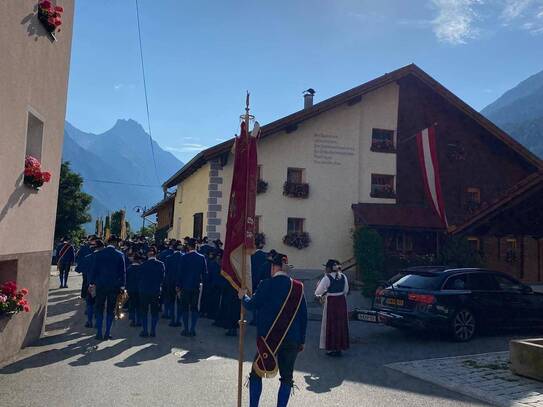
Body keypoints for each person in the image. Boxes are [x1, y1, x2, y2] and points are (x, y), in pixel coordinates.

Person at [238, 252, 308, 407]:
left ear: (273, 267)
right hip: (293, 339)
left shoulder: (266, 284)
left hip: (269, 339)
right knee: (287, 378)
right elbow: (304, 316)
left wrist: (243, 296)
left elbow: (251, 305)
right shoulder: (298, 287)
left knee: (256, 374)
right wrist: (301, 340)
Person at [88, 235, 126, 340]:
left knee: (99, 308)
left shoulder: (99, 254)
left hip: (100, 285)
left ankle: (99, 332)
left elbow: (94, 270)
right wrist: (122, 286)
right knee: (111, 309)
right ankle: (107, 332)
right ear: (115, 243)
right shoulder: (120, 254)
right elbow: (122, 272)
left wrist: (91, 283)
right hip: (114, 286)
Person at [315, 259, 350, 357]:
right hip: (341, 301)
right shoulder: (343, 277)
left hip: (331, 302)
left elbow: (318, 292)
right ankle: (340, 347)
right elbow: (346, 290)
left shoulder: (327, 278)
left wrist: (321, 292)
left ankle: (332, 347)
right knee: (341, 324)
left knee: (331, 324)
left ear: (329, 268)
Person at [176, 238, 207, 337]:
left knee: (185, 308)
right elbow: (205, 273)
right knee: (194, 309)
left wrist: (178, 285)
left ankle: (185, 329)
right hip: (196, 286)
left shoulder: (184, 257)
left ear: (188, 246)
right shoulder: (201, 257)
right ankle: (193, 329)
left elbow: (180, 273)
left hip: (185, 286)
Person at [138, 246, 165, 337]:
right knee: (154, 312)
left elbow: (139, 278)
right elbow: (162, 278)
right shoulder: (161, 264)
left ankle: (145, 330)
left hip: (144, 290)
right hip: (155, 290)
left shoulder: (143, 265)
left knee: (144, 312)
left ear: (147, 254)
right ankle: (153, 330)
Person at [76, 238, 100, 328]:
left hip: (90, 283)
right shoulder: (104, 258)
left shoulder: (88, 257)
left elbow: (78, 269)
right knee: (99, 303)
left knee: (89, 302)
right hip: (101, 284)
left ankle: (89, 321)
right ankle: (98, 322)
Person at [164, 241, 183, 327]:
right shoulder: (184, 257)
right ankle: (178, 319)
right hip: (181, 283)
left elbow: (166, 272)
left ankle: (172, 319)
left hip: (171, 282)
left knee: (171, 301)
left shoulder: (168, 258)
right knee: (180, 302)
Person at [249, 238, 268, 325]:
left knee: (254, 299)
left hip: (254, 280)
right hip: (264, 280)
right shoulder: (266, 256)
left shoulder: (252, 256)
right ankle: (261, 318)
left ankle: (254, 318)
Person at [126, 250, 144, 328]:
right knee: (139, 305)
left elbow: (126, 280)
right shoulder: (142, 268)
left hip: (131, 289)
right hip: (140, 289)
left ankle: (133, 320)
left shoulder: (129, 268)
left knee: (132, 304)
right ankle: (139, 320)